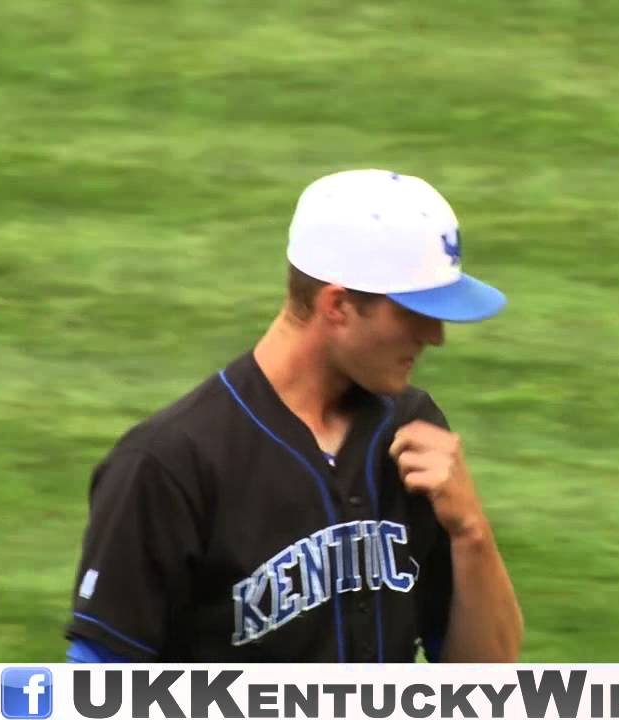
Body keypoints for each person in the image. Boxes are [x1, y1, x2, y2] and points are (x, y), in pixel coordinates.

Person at [64, 168, 524, 663]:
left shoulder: (413, 431)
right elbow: (96, 691)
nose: (435, 335)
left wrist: (470, 531)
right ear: (338, 305)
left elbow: (488, 684)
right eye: (414, 311)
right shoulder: (168, 465)